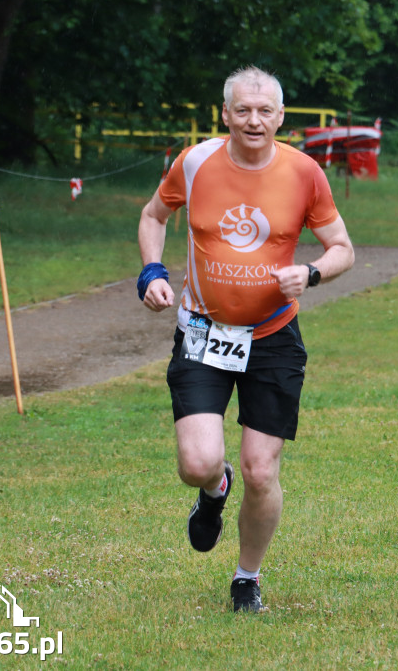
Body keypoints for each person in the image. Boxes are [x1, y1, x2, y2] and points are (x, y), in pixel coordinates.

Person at [137, 66, 354, 614]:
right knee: (196, 461)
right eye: (243, 111)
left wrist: (310, 274)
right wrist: (152, 272)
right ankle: (213, 489)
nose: (253, 121)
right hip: (203, 331)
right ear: (226, 114)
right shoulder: (194, 162)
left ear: (280, 117)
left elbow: (342, 248)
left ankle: (246, 578)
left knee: (262, 469)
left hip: (274, 336)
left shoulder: (305, 172)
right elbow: (153, 215)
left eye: (265, 112)